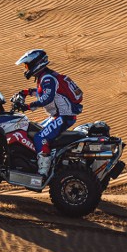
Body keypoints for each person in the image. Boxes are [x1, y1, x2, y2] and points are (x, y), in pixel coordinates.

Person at [14, 49, 83, 177]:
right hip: (58, 116)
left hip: (63, 117)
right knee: (34, 129)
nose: (26, 69)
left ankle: (43, 172)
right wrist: (25, 92)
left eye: (27, 65)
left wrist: (28, 106)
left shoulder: (47, 78)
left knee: (40, 137)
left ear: (36, 63)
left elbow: (47, 98)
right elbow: (41, 91)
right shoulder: (45, 76)